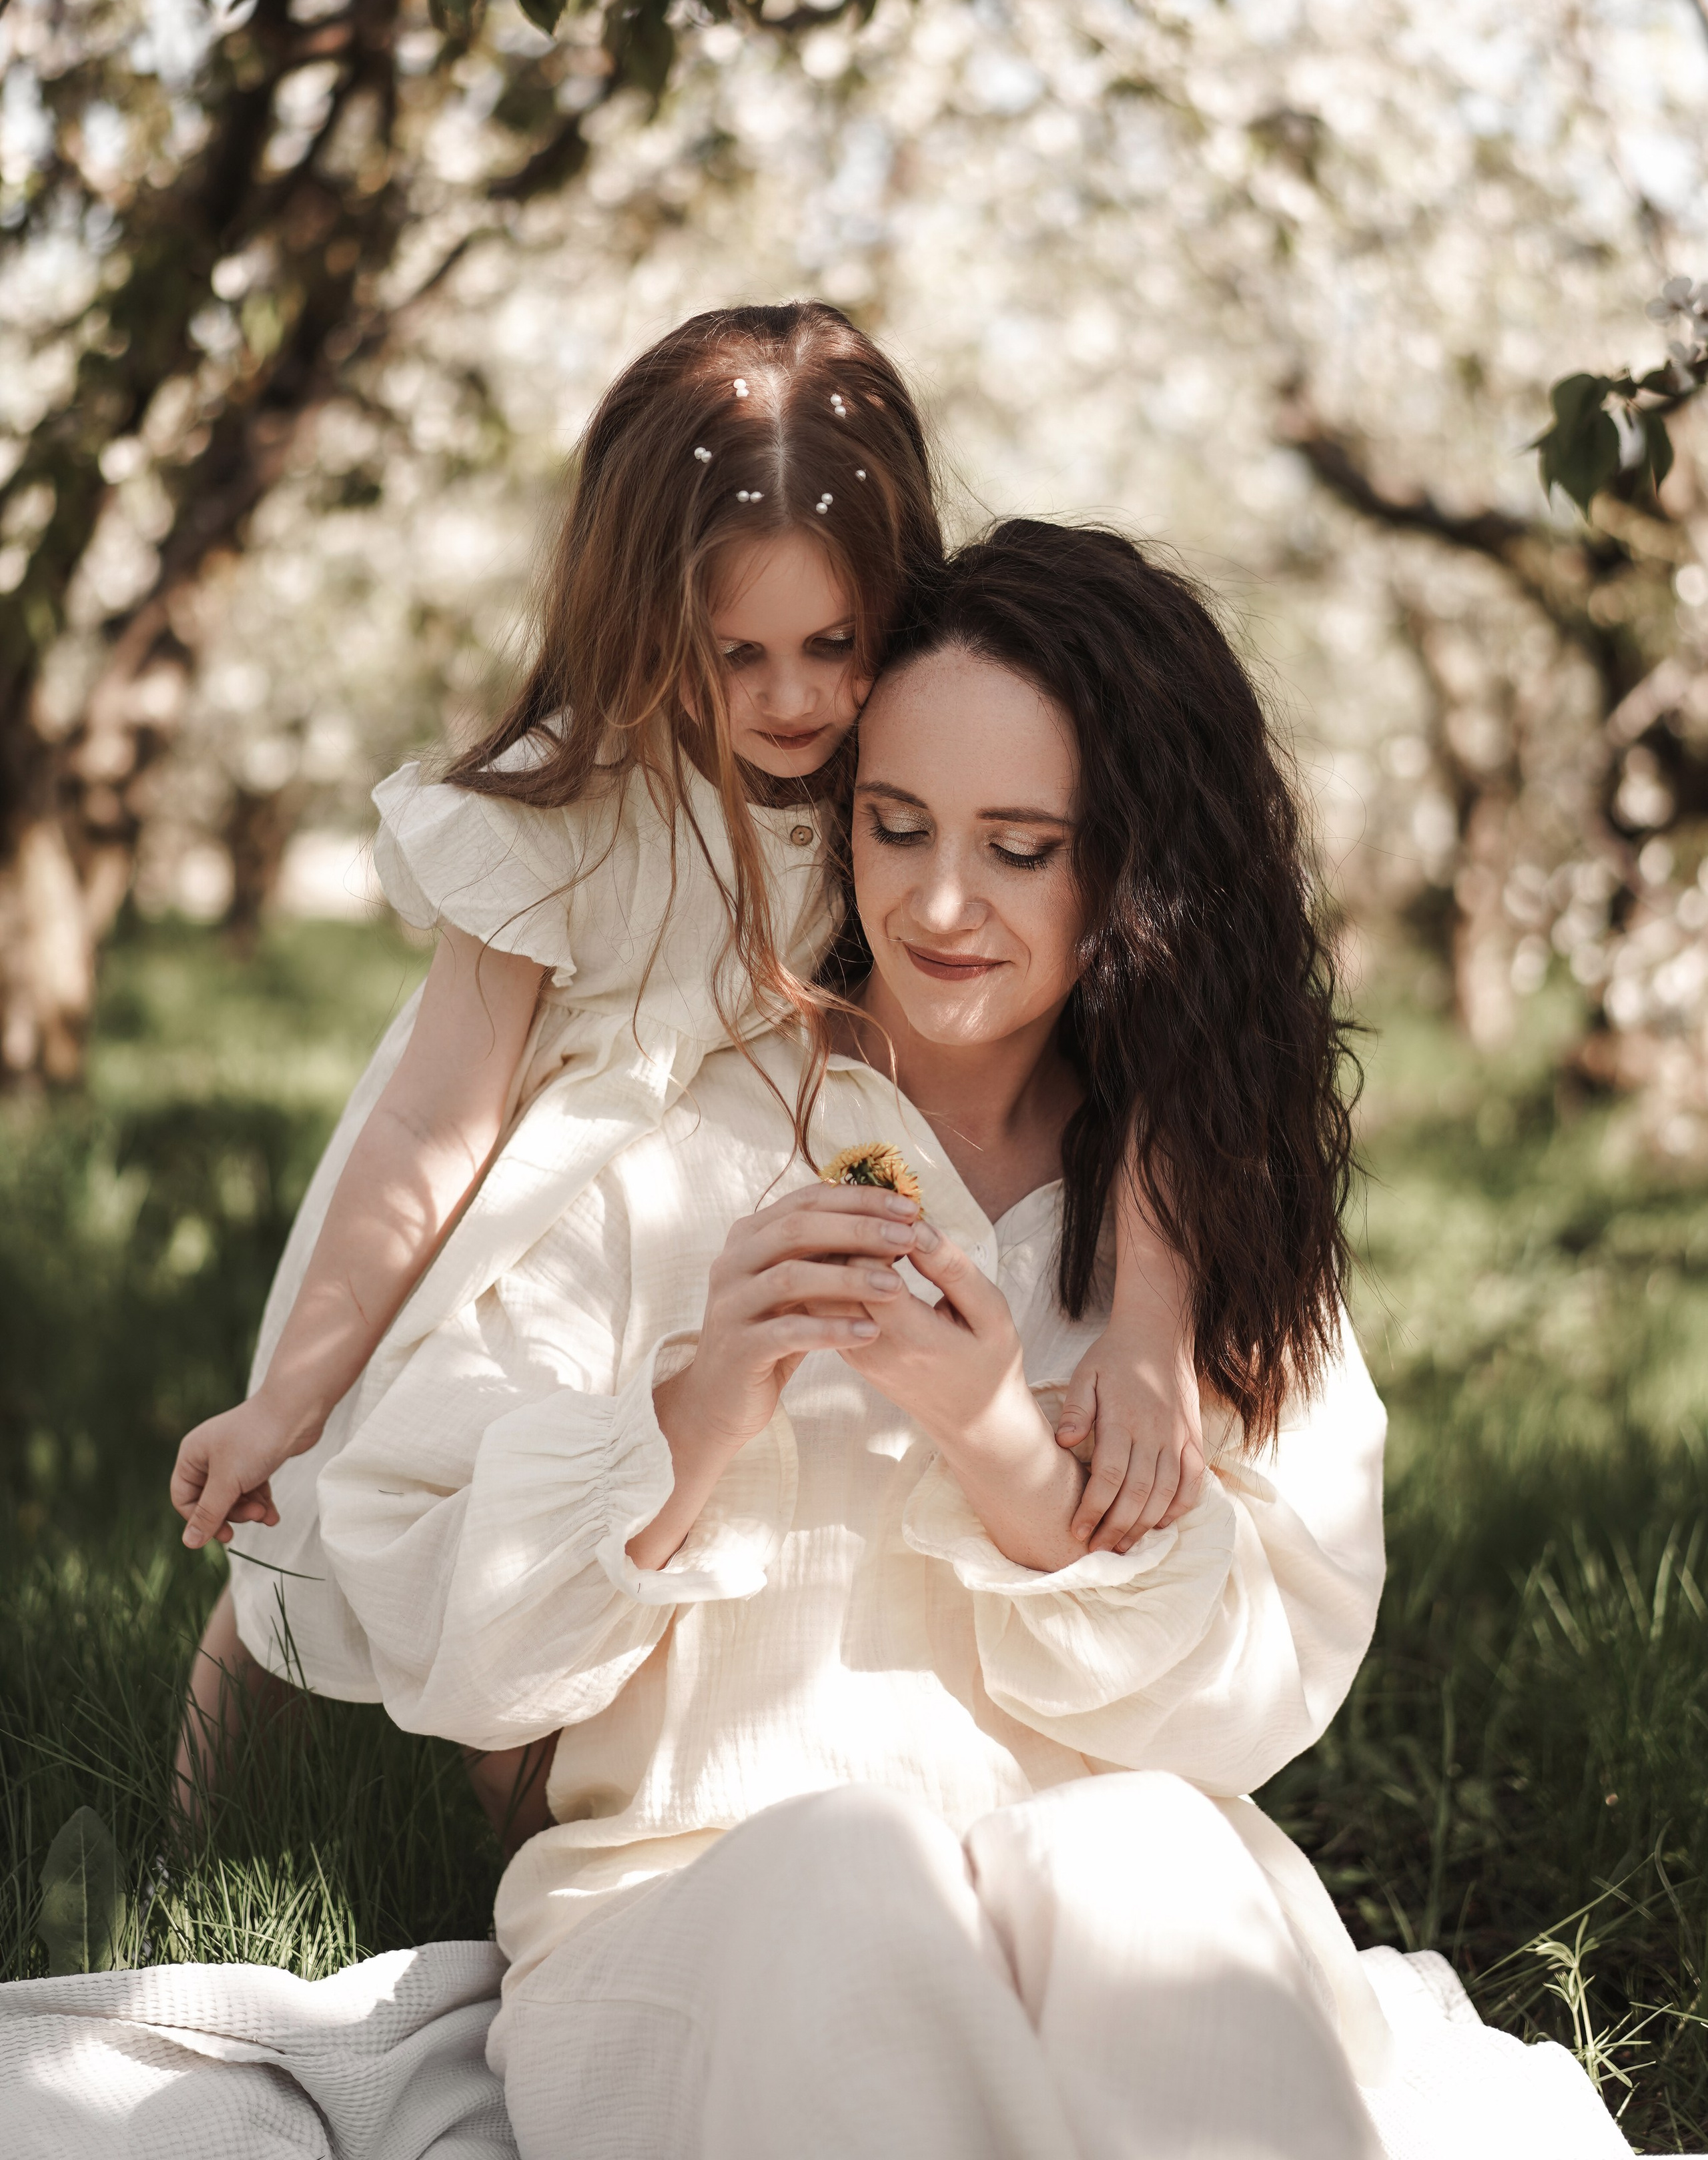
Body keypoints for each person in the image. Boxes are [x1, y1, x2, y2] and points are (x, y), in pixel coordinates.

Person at [314, 521, 1625, 2157]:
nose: (939, 903)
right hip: (697, 1903)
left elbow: (1247, 1705)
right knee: (848, 1868)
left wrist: (1001, 1445)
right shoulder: (665, 1128)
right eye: (895, 823)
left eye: (1020, 848)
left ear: (1137, 875)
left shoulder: (1198, 1216)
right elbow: (446, 1635)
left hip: (1087, 1908)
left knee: (1151, 1855)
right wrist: (695, 1407)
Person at [167, 312, 1205, 1825]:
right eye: (738, 657)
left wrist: (1153, 1328)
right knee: (327, 1521)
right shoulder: (572, 813)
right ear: (646, 622)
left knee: (667, 1525)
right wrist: (287, 1397)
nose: (793, 701)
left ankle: (558, 1815)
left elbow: (1157, 1041)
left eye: (833, 645)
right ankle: (205, 1830)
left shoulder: (906, 775)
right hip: (536, 1210)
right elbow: (432, 1116)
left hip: (758, 1166)